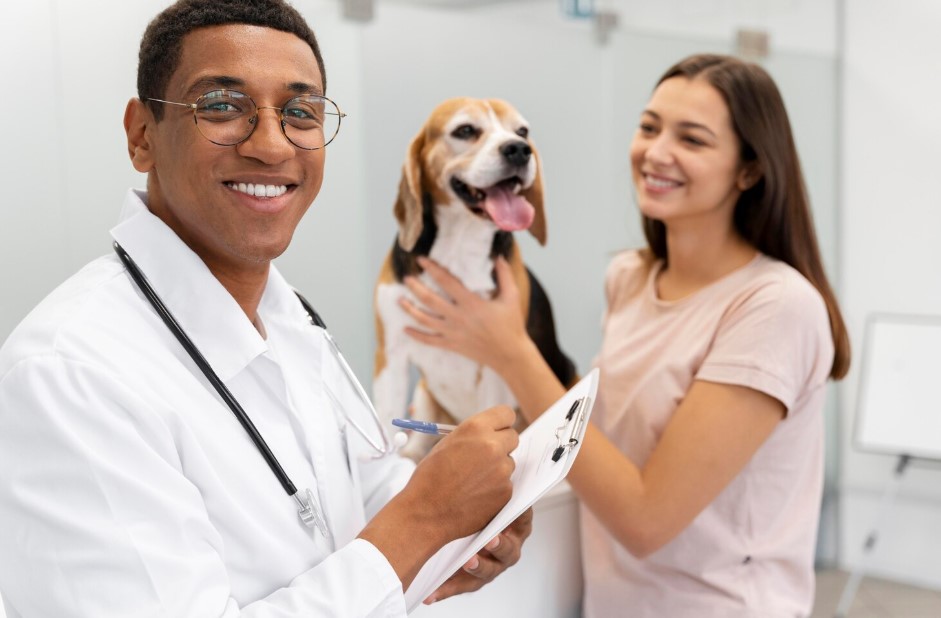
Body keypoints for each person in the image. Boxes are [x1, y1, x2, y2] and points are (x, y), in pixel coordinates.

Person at [0, 1, 531, 616]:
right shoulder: (69, 374)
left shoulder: (292, 321)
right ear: (141, 135)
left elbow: (362, 500)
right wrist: (425, 519)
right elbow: (397, 532)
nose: (272, 145)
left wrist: (465, 527)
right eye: (223, 107)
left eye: (300, 113)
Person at [399, 53, 851, 617]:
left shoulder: (775, 307)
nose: (657, 153)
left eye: (693, 139)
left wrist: (511, 349)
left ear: (749, 170)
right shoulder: (630, 278)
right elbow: (606, 450)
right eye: (649, 127)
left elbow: (645, 519)